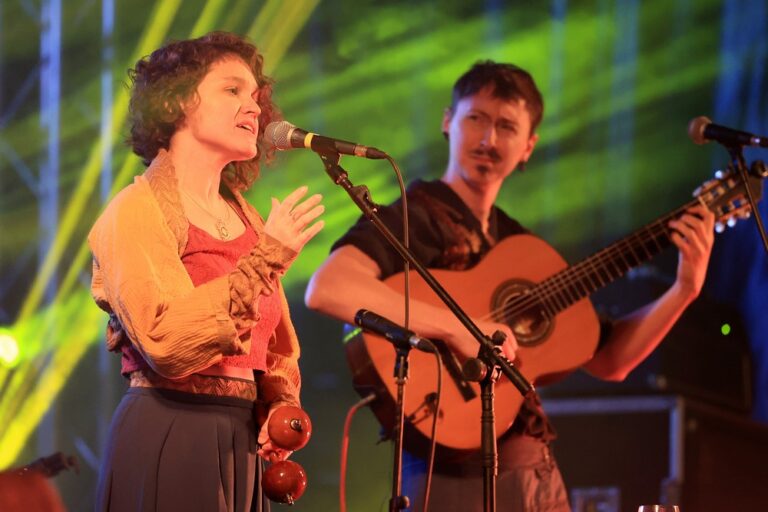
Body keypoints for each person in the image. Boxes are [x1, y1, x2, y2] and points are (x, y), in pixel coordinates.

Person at [305, 61, 714, 511]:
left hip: (532, 470)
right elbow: (329, 287)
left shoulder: (521, 247)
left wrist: (684, 290)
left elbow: (609, 359)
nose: (488, 140)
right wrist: (460, 329)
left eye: (506, 126)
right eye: (476, 119)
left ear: (528, 146)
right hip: (447, 470)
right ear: (448, 121)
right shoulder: (414, 214)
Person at [88, 32, 324, 511]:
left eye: (257, 97)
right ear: (176, 100)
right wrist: (265, 259)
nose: (254, 108)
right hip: (172, 428)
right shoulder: (134, 210)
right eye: (232, 90)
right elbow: (166, 339)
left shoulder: (247, 219)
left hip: (238, 439)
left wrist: (278, 405)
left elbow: (277, 347)